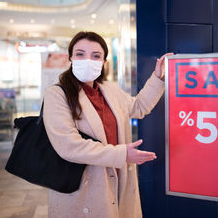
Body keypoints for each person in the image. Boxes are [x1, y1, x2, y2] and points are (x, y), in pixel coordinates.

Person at [43, 31, 172, 218]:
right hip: (83, 185)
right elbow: (68, 146)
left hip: (117, 178)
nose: (88, 60)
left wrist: (158, 77)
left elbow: (138, 106)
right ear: (71, 57)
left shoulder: (109, 90)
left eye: (96, 56)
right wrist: (122, 153)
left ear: (103, 62)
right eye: (80, 54)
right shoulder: (57, 94)